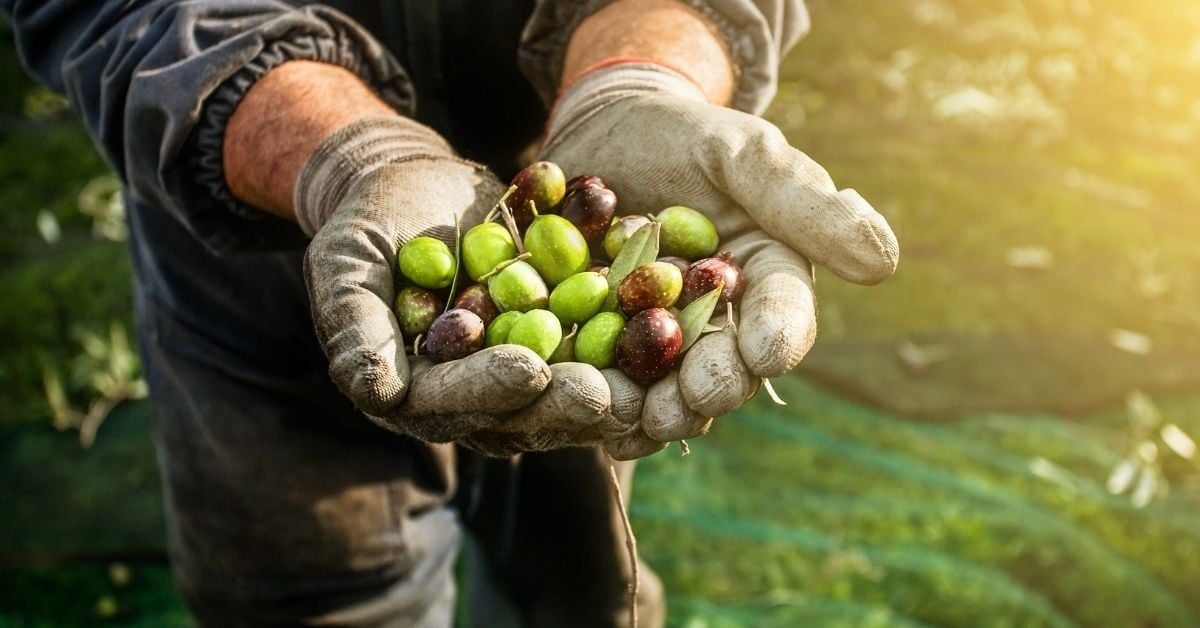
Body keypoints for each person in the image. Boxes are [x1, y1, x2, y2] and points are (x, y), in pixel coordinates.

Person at [2, 0, 898, 625]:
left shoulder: (585, 261)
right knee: (312, 601)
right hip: (251, 254)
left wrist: (637, 80)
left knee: (581, 583)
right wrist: (347, 154)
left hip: (581, 171)